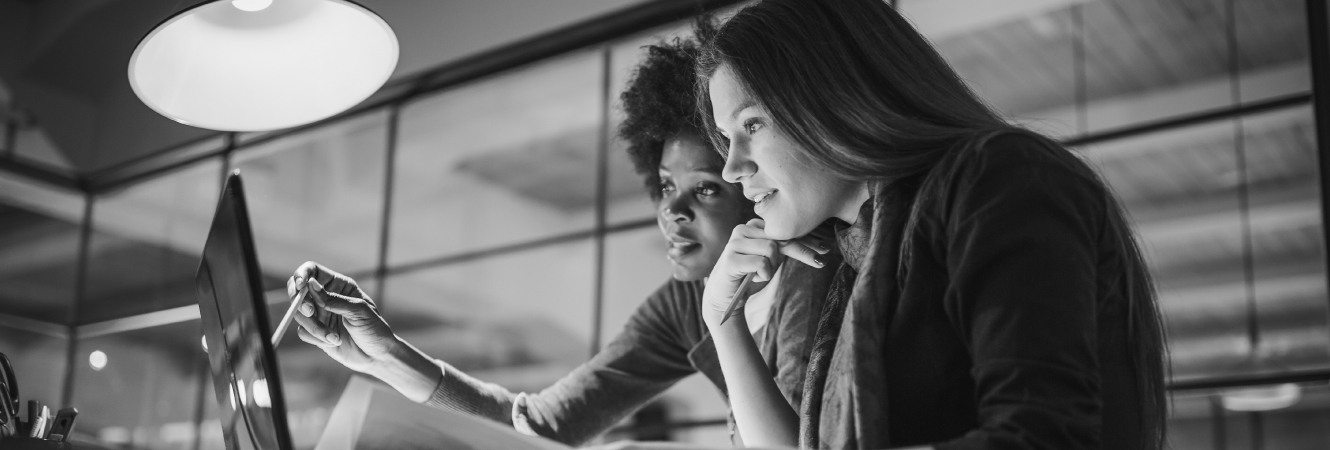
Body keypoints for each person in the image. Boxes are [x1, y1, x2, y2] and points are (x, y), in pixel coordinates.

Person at [285, 19, 836, 447]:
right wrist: (383, 353)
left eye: (706, 189)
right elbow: (537, 427)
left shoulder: (816, 276)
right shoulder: (685, 303)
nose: (673, 211)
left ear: (753, 182)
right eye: (666, 186)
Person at [692, 1, 1169, 449]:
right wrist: (724, 320)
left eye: (752, 126)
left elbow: (1040, 438)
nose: (732, 168)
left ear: (832, 97)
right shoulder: (861, 255)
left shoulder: (999, 176)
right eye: (726, 138)